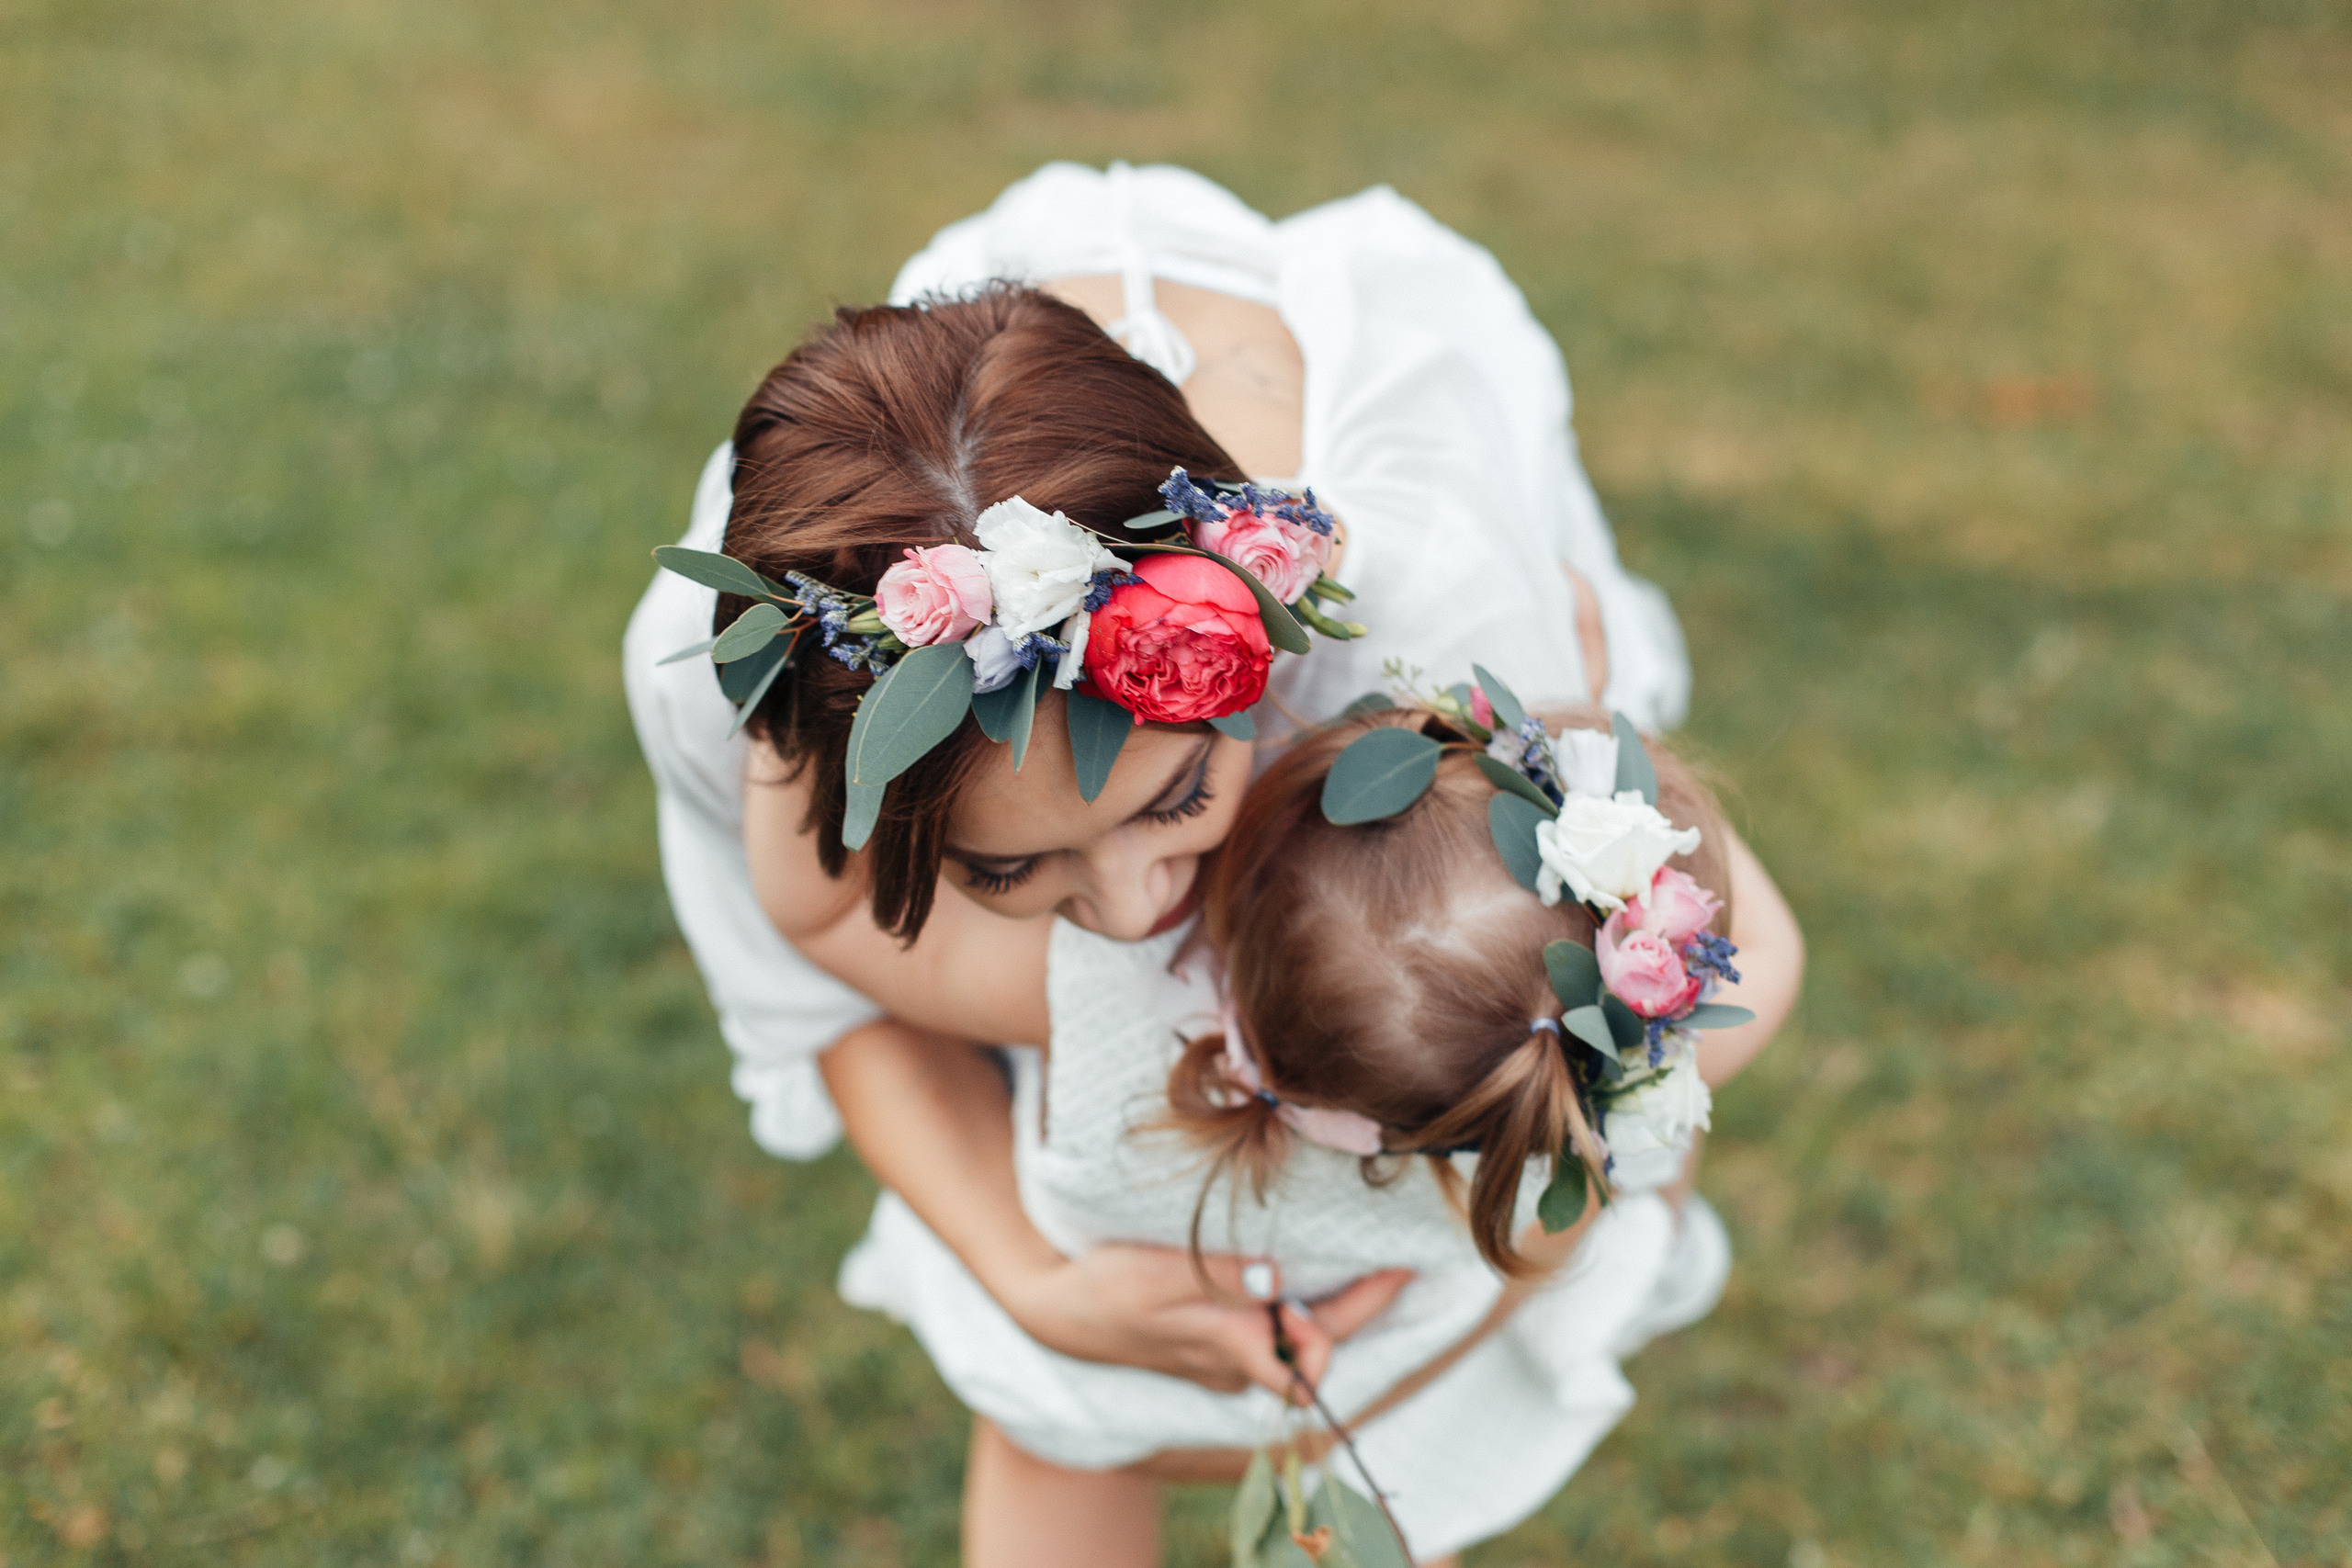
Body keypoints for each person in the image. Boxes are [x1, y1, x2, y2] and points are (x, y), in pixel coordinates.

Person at [618, 162, 1775, 1556]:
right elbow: (821, 975)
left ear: (1257, 659)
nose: (1126, 915)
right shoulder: (731, 689)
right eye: (1003, 873)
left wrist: (1450, 1292)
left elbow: (1623, 991)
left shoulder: (1426, 638)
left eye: (1171, 797)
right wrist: (1032, 1280)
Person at [831, 696, 1802, 1562]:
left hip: (1100, 1363)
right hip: (1382, 1379)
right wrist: (1654, 817)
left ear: (1231, 887)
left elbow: (823, 928)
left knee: (1053, 1471)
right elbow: (1771, 956)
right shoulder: (1556, 1100)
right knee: (1380, 1520)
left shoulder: (1094, 996)